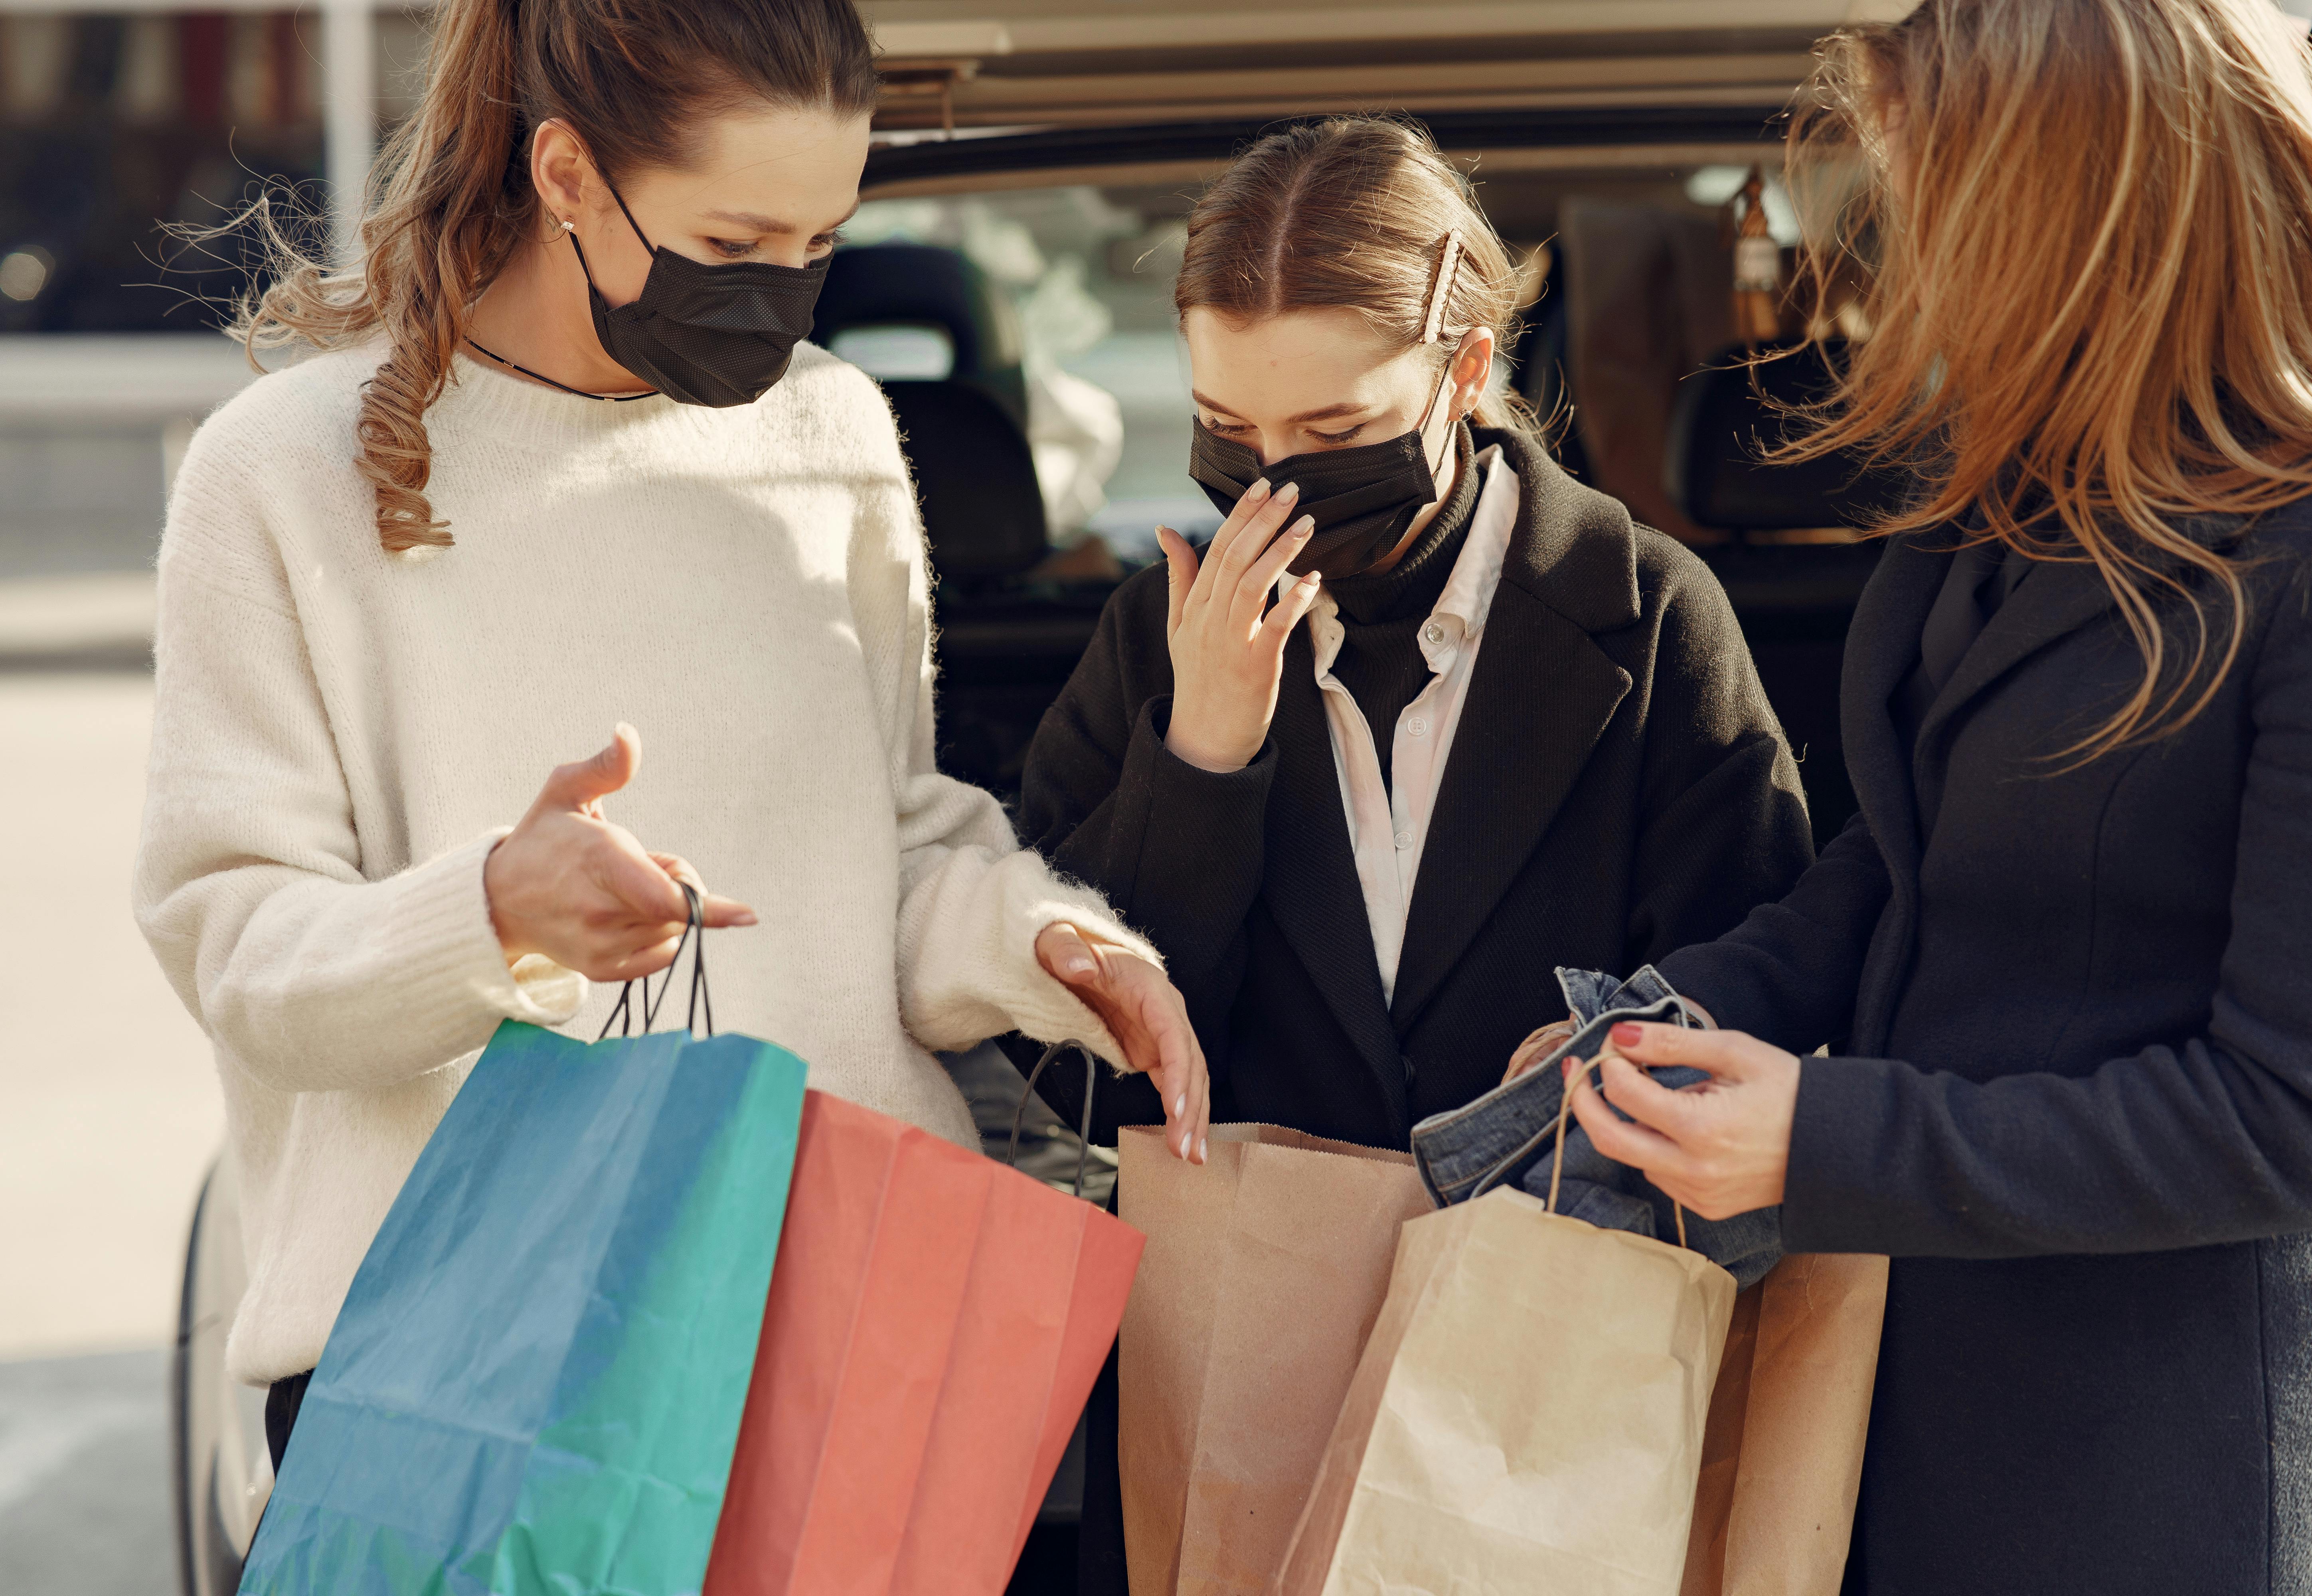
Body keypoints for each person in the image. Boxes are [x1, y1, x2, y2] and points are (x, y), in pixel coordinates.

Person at [132, 0, 1209, 1474]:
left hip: (842, 1330)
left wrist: (1043, 942)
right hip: (466, 1377)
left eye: (819, 248)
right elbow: (239, 953)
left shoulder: (831, 435)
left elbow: (885, 845)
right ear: (566, 174)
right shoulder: (280, 474)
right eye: (734, 246)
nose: (785, 298)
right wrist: (495, 909)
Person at [1530, 2, 2312, 1590]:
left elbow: (2295, 1124)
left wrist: (1828, 1140)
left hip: (2174, 1493)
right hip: (1923, 1434)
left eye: (1931, 196)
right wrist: (1664, 1019)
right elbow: (1904, 864)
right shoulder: (2011, 500)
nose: (1899, 251)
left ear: (2077, 214)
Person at [1013, 115, 1816, 1592]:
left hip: (1555, 1370)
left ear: (1462, 370)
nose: (1269, 480)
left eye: (1329, 435)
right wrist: (1202, 760)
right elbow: (1073, 1055)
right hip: (1236, 1347)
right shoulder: (1154, 637)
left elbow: (1759, 992)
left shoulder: (1650, 618)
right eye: (1224, 431)